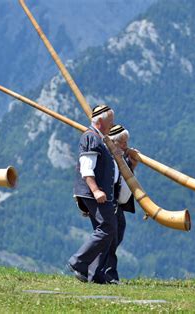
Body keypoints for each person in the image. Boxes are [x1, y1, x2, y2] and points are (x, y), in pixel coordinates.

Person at [68, 104, 118, 283]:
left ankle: (95, 275)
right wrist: (96, 190)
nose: (112, 125)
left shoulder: (98, 138)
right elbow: (86, 168)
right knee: (108, 228)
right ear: (100, 122)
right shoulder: (92, 138)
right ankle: (78, 261)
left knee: (105, 231)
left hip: (95, 193)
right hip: (94, 193)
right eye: (110, 121)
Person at [102, 124, 137, 284]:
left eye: (126, 142)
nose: (126, 146)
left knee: (117, 236)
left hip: (118, 205)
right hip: (109, 204)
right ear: (113, 143)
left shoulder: (120, 158)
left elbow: (125, 180)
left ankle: (98, 270)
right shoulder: (107, 158)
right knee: (111, 239)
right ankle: (109, 275)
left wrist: (133, 165)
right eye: (122, 142)